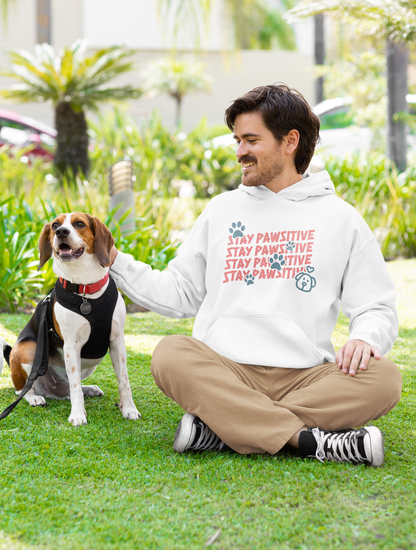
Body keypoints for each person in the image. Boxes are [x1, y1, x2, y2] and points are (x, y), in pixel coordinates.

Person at [109, 83, 401, 467]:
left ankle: (224, 428)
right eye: (237, 140)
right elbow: (179, 292)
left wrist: (365, 337)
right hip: (225, 369)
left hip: (306, 377)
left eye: (250, 140)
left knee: (384, 378)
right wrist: (112, 258)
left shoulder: (341, 218)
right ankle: (310, 441)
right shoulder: (221, 209)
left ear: (290, 141)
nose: (239, 152)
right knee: (169, 354)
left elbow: (376, 305)